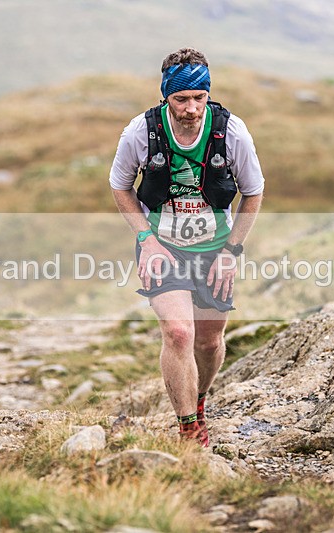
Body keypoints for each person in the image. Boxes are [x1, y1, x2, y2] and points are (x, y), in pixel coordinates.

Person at [109, 47, 264, 447]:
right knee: (179, 333)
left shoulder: (231, 132)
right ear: (166, 97)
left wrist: (232, 253)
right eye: (182, 99)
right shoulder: (140, 132)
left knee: (209, 341)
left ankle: (198, 399)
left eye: (200, 97)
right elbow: (120, 186)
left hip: (216, 248)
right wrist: (145, 239)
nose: (192, 108)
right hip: (163, 247)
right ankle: (189, 429)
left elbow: (253, 193)